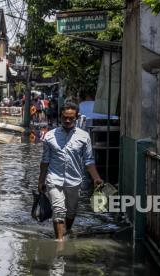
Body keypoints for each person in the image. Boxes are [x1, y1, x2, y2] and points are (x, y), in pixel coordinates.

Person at [38, 102, 103, 241]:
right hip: (54, 179)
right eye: (64, 118)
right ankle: (59, 242)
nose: (67, 121)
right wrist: (41, 181)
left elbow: (89, 161)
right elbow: (45, 161)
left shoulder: (84, 136)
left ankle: (66, 232)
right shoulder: (49, 136)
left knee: (71, 212)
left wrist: (96, 178)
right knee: (58, 210)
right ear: (60, 117)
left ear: (76, 117)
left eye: (71, 118)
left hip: (74, 180)